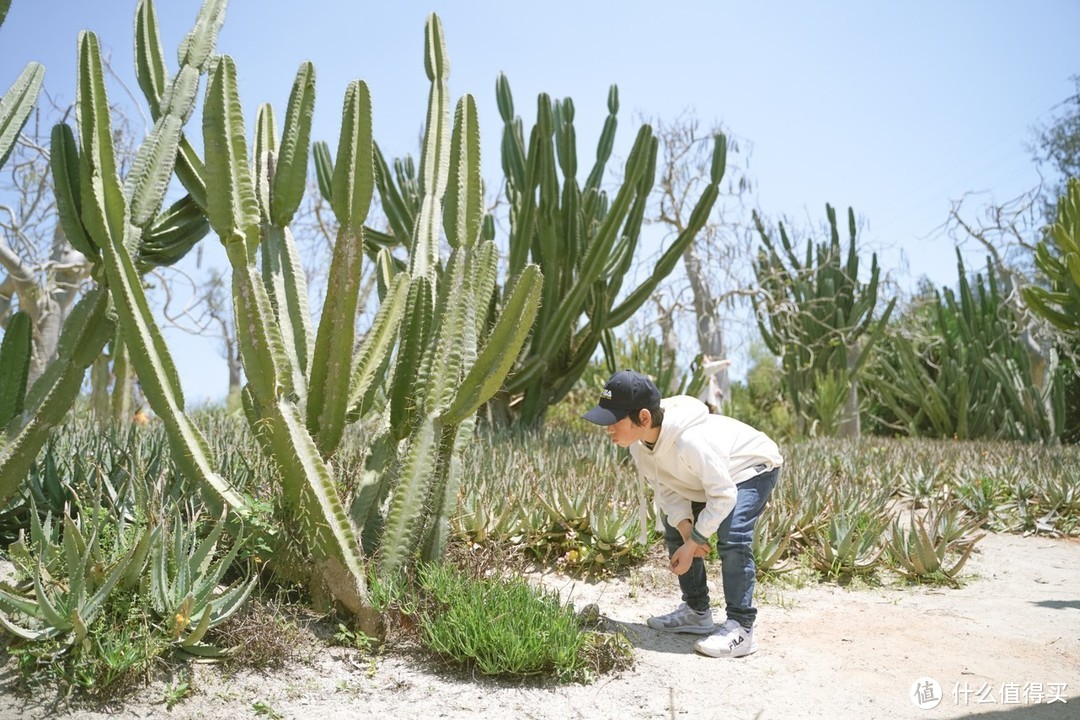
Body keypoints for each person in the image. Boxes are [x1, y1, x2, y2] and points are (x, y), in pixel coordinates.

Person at [582, 369, 782, 658]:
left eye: (614, 421)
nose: (608, 428)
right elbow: (669, 490)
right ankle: (696, 611)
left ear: (644, 418)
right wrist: (689, 533)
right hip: (709, 480)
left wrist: (693, 544)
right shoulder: (640, 447)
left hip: (750, 468)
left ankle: (742, 627)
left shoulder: (689, 440)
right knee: (674, 523)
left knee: (732, 534)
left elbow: (723, 494)